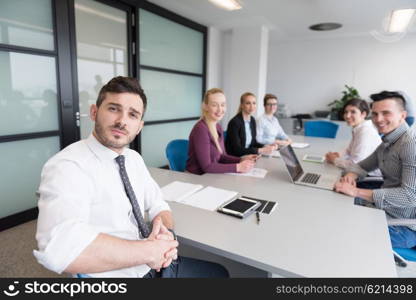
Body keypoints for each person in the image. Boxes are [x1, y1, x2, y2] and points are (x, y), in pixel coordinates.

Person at [34, 76, 229, 278]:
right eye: (113, 109)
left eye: (133, 114)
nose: (122, 121)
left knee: (219, 273)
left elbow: (158, 204)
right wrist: (150, 251)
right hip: (120, 275)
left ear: (139, 126)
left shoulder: (133, 159)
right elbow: (59, 249)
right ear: (94, 112)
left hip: (155, 264)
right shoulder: (69, 166)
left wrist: (165, 233)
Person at [334, 91, 416, 249]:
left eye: (386, 113)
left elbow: (411, 196)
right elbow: (363, 165)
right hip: (383, 211)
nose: (378, 119)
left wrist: (356, 192)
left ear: (402, 115)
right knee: (336, 206)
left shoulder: (410, 144)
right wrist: (351, 174)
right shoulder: (388, 141)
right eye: (375, 114)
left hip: (402, 227)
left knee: (340, 231)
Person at [186, 88, 257, 175]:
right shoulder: (200, 129)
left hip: (211, 177)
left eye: (223, 105)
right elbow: (207, 167)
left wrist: (241, 159)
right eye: (214, 105)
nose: (220, 109)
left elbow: (220, 157)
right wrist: (238, 167)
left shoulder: (218, 127)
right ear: (206, 106)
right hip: (197, 179)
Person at [325, 98, 381, 175]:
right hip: (361, 173)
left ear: (363, 114)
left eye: (353, 112)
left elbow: (356, 165)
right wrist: (338, 154)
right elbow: (349, 150)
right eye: (346, 112)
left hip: (368, 177)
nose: (347, 116)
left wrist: (335, 160)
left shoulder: (366, 132)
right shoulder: (359, 128)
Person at [225, 92, 275, 157]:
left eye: (254, 103)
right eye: (248, 103)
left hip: (247, 156)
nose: (252, 106)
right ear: (242, 105)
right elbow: (237, 150)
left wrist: (265, 146)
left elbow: (253, 142)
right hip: (236, 158)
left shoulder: (252, 120)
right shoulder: (234, 122)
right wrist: (260, 150)